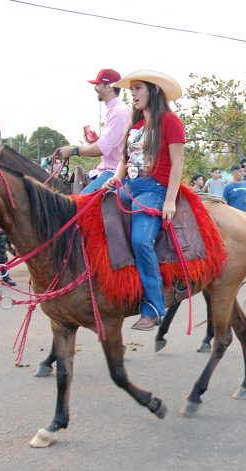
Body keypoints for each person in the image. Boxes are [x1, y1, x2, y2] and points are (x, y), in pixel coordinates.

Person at [103, 69, 186, 332]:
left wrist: (170, 200)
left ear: (154, 90)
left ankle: (154, 306)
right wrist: (115, 179)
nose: (133, 94)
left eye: (138, 88)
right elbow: (125, 160)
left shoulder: (170, 121)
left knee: (141, 240)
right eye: (132, 90)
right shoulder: (135, 124)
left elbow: (177, 164)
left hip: (155, 189)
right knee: (92, 216)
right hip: (129, 186)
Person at [57, 68, 131, 194]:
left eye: (98, 85)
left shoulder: (119, 112)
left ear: (109, 86)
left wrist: (74, 150)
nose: (95, 88)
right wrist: (96, 141)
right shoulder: (115, 110)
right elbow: (112, 145)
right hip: (106, 170)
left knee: (81, 201)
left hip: (113, 172)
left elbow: (101, 148)